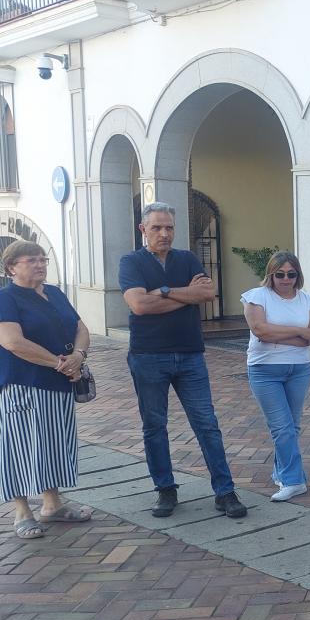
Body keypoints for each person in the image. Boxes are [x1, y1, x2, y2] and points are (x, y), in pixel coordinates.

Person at [119, 203, 247, 519]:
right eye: (157, 228)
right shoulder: (130, 262)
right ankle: (165, 490)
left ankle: (225, 491)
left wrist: (161, 291)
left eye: (169, 228)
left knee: (207, 423)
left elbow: (207, 294)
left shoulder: (187, 258)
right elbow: (139, 306)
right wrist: (182, 295)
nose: (164, 233)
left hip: (190, 354)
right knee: (155, 426)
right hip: (148, 356)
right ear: (143, 230)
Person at [0, 241, 92, 538]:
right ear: (11, 268)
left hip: (57, 385)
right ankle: (21, 511)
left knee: (53, 444)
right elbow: (12, 342)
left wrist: (78, 357)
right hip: (21, 384)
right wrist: (59, 364)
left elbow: (80, 328)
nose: (40, 264)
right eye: (31, 260)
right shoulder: (4, 299)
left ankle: (52, 504)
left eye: (42, 259)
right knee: (19, 445)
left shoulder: (55, 293)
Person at [241, 251, 310, 502]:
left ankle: (281, 470)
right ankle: (294, 481)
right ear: (271, 274)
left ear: (298, 275)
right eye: (280, 274)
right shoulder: (256, 297)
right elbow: (260, 331)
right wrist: (299, 332)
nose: (285, 279)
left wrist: (282, 335)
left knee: (291, 426)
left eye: (291, 274)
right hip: (265, 370)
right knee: (282, 427)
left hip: (299, 369)